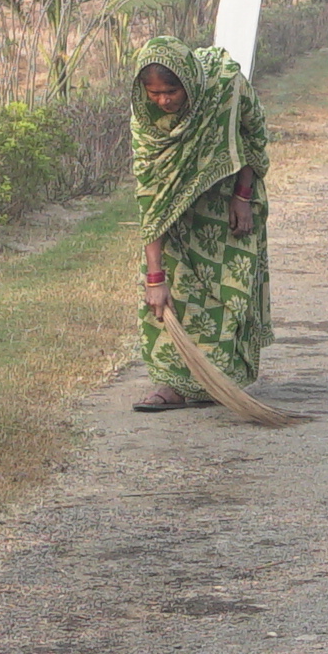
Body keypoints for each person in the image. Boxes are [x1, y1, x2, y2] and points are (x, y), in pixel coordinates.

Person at [127, 38, 269, 411]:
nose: (163, 101)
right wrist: (154, 278)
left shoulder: (225, 86)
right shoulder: (147, 121)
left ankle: (217, 382)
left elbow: (252, 135)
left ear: (189, 83)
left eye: (171, 91)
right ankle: (171, 384)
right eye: (154, 93)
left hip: (225, 204)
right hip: (171, 217)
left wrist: (243, 196)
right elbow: (150, 196)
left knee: (227, 292)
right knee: (172, 294)